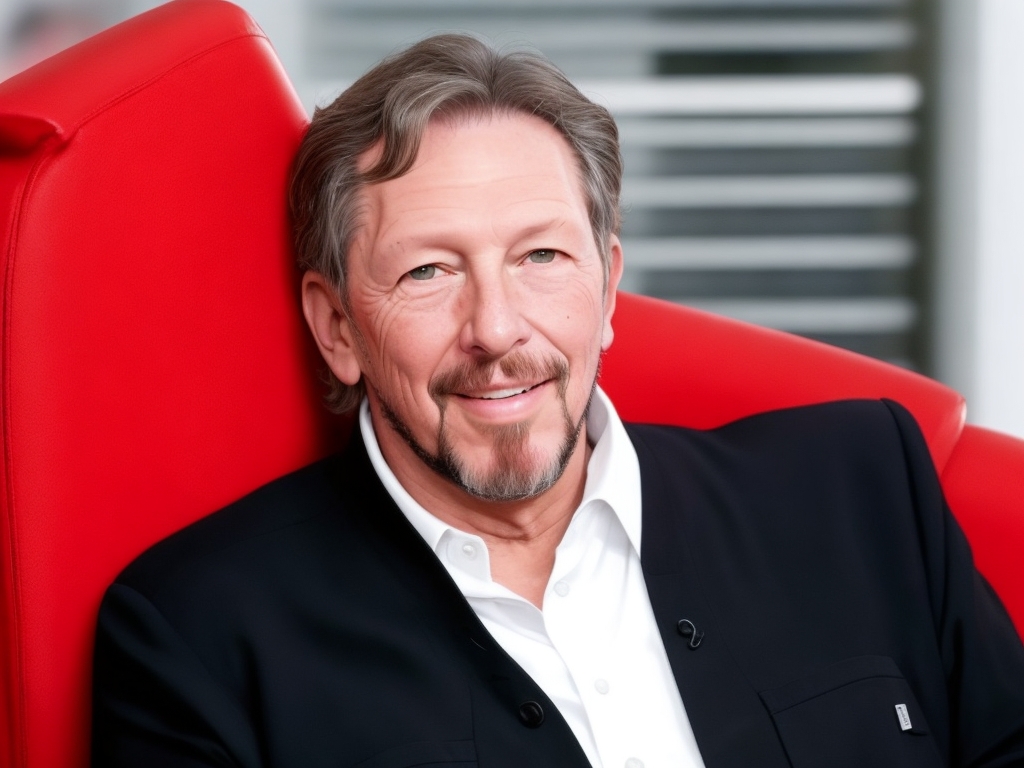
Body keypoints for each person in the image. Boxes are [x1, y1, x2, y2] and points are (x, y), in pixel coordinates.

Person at [91, 34, 1024, 768]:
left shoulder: (862, 492)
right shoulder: (199, 638)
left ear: (607, 287)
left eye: (541, 256)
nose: (496, 330)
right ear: (337, 327)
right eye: (427, 271)